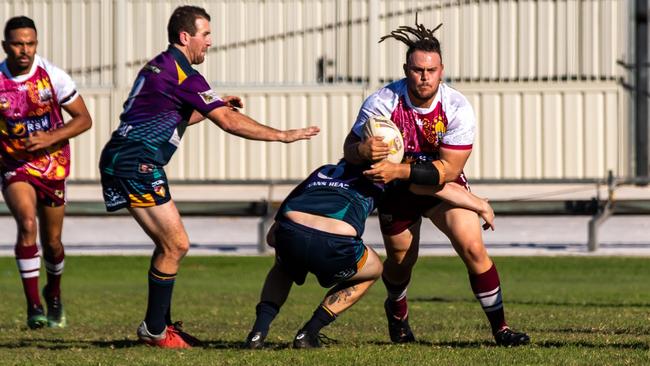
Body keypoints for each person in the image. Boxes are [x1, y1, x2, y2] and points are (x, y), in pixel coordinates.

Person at [98, 6, 319, 349]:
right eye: (206, 35)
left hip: (128, 160)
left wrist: (212, 105)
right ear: (186, 37)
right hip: (136, 164)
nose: (210, 43)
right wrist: (283, 135)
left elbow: (168, 114)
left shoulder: (162, 65)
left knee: (169, 246)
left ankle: (161, 325)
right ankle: (155, 330)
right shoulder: (185, 75)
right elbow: (229, 122)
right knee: (176, 244)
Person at [343, 16, 530, 346]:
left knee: (473, 247)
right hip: (397, 192)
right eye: (417, 70)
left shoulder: (456, 107)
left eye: (431, 70)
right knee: (401, 263)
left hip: (441, 187)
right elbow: (349, 150)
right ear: (406, 69)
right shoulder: (382, 103)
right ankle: (397, 311)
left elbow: (445, 171)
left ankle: (501, 329)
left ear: (441, 70)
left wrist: (400, 169)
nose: (424, 77)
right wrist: (362, 148)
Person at [244, 158, 495, 349]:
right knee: (373, 270)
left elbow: (271, 236)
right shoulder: (386, 174)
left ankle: (257, 332)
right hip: (337, 240)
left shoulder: (323, 169)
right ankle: (309, 332)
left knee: (283, 266)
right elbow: (436, 188)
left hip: (291, 230)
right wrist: (479, 204)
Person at [0, 16, 92, 330]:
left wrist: (49, 138)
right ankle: (34, 306)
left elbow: (83, 119)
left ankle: (53, 293)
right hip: (15, 165)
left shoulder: (53, 76)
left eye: (30, 43)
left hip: (52, 165)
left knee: (52, 243)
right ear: (5, 46)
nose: (24, 50)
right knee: (27, 223)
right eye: (17, 43)